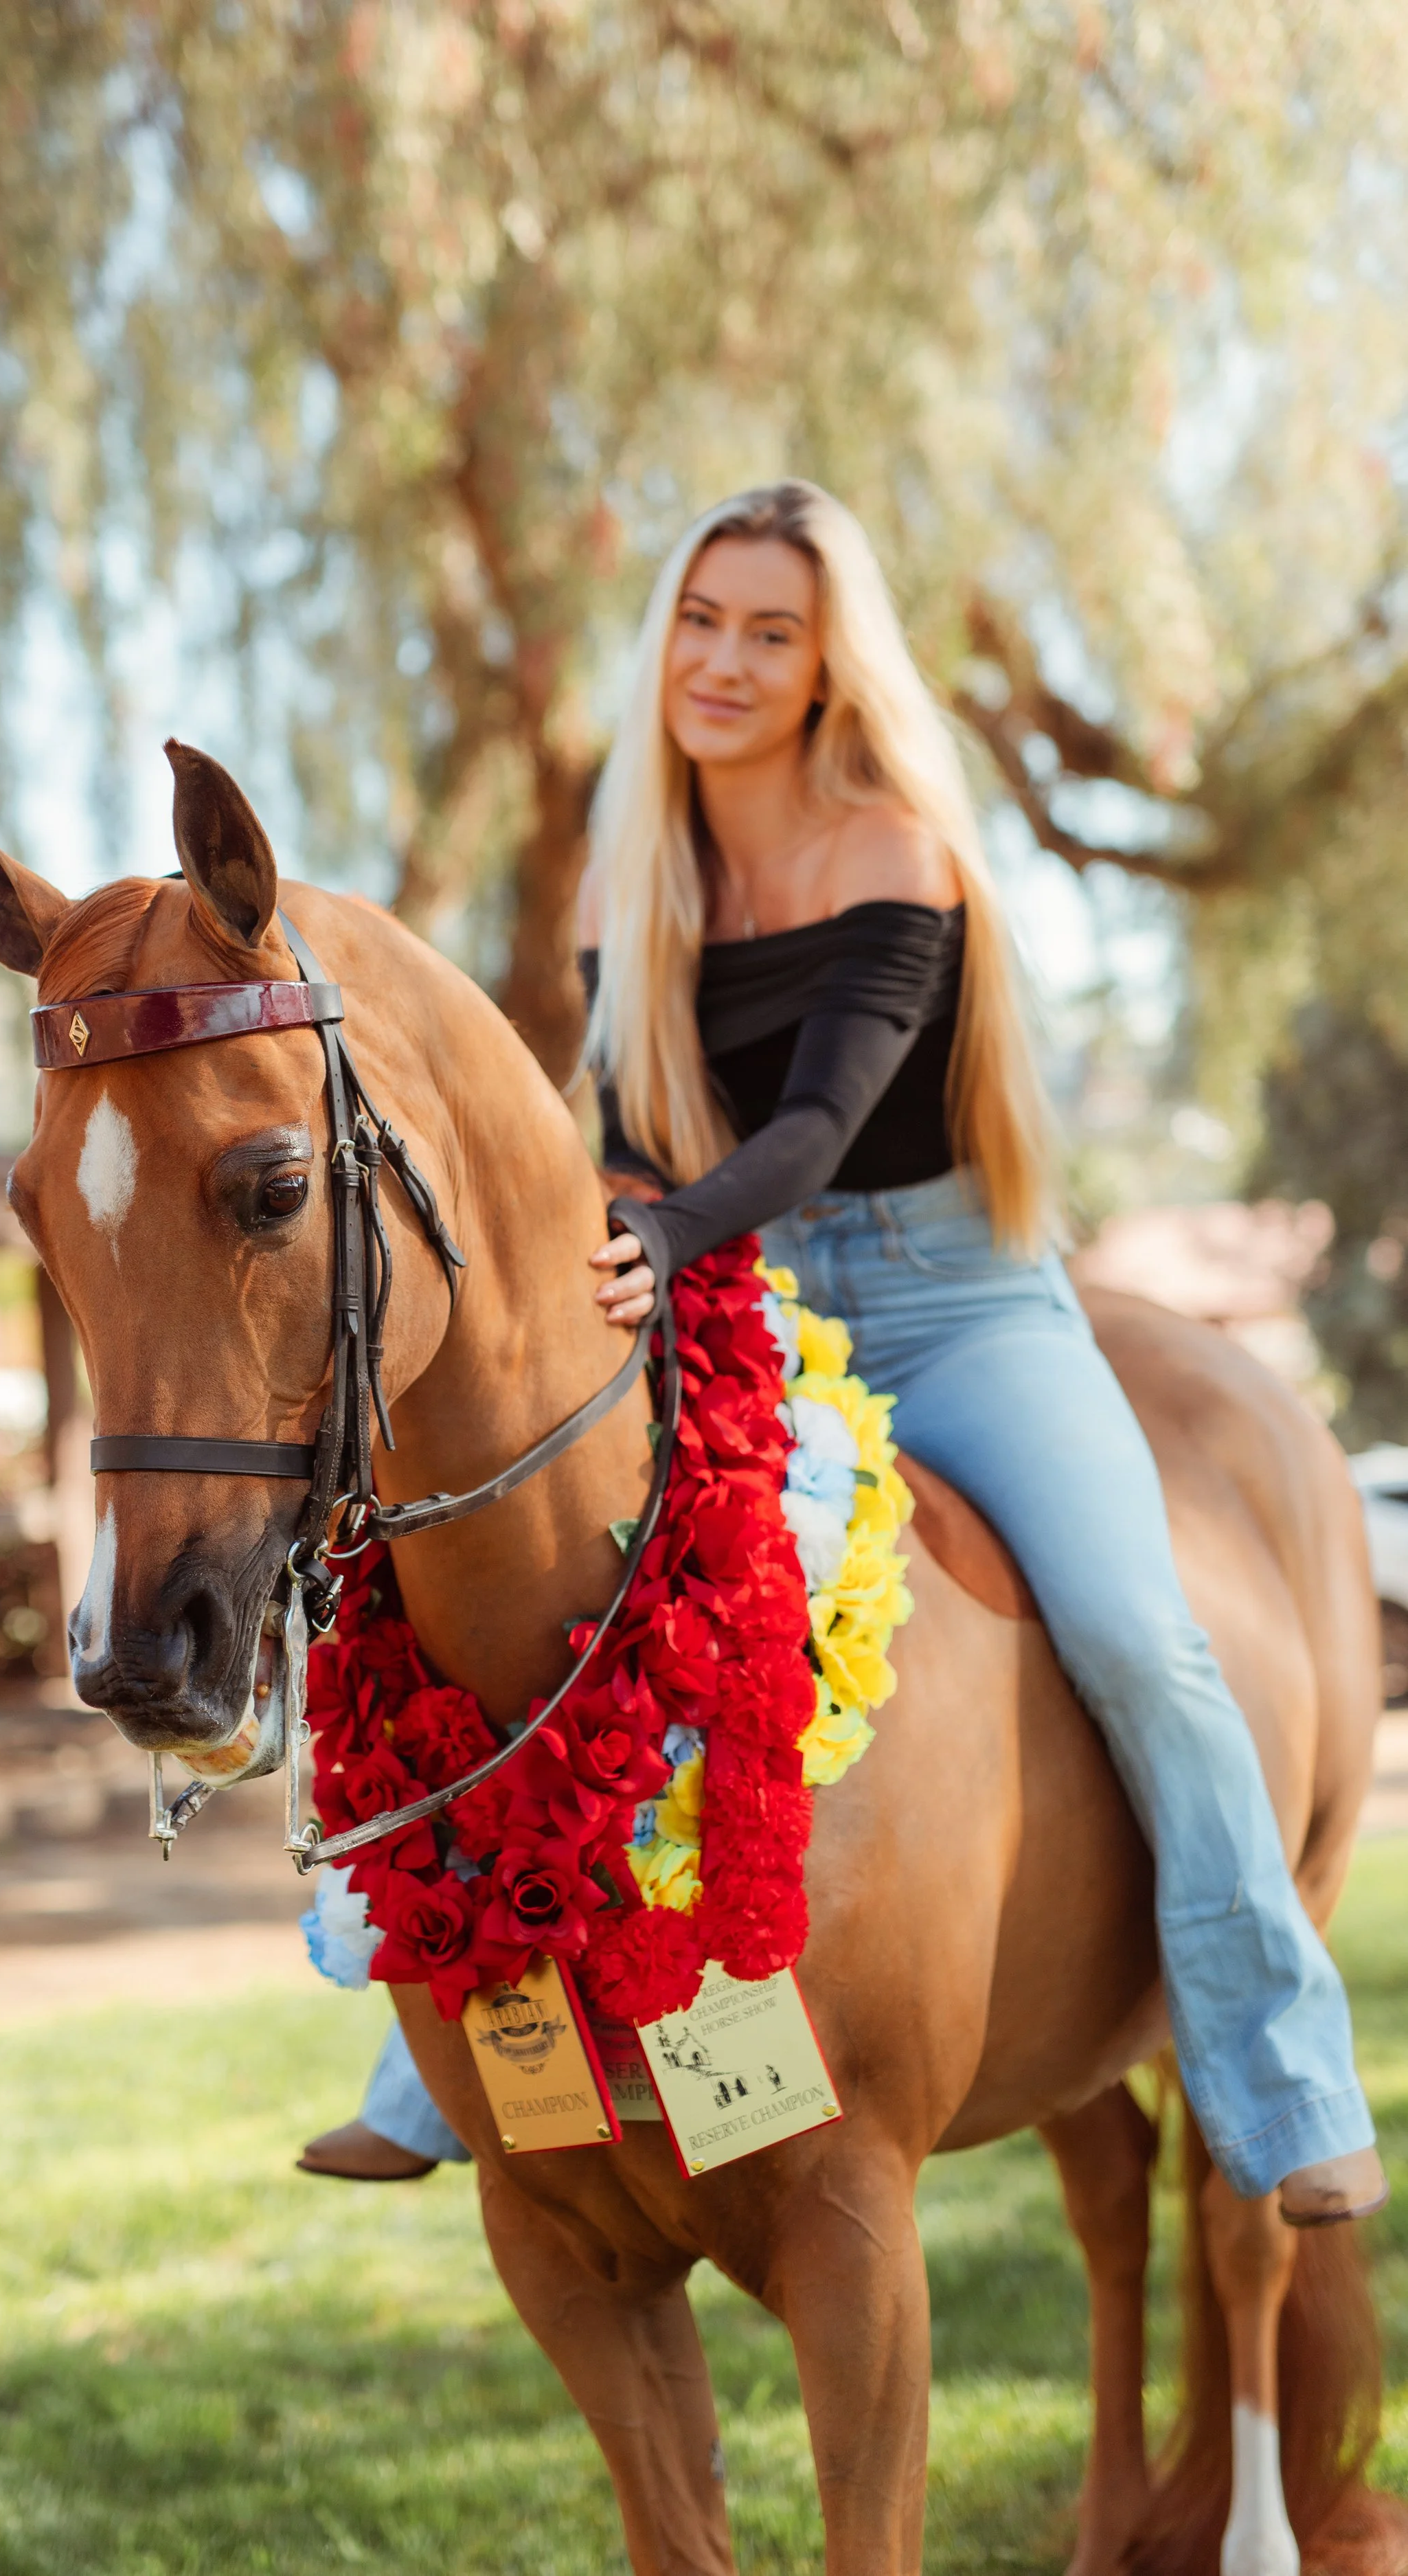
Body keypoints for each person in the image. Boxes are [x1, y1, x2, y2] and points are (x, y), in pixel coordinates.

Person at [299, 479, 1385, 2227]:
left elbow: (812, 1127)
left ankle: (1277, 2077)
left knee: (1134, 1632)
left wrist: (651, 1232)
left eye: (771, 633)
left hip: (954, 1305)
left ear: (827, 670)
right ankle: (431, 2064)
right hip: (742, 1289)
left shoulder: (890, 848)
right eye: (699, 621)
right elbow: (624, 1126)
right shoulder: (629, 872)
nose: (722, 661)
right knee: (525, 1586)